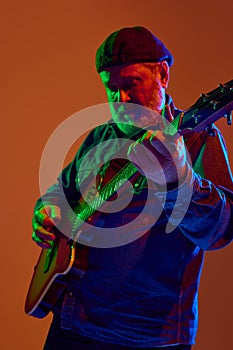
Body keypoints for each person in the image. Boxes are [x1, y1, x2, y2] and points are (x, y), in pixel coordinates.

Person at [31, 26, 233, 349]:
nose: (121, 99)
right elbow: (61, 191)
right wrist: (46, 210)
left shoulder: (196, 140)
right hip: (71, 324)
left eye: (131, 84)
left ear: (163, 75)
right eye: (111, 89)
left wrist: (180, 178)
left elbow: (221, 230)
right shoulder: (99, 138)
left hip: (148, 337)